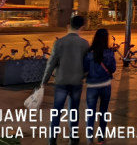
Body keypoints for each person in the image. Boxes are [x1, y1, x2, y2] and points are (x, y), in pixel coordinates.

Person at [42, 15, 90, 145]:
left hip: (61, 81)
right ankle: (73, 137)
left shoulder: (59, 42)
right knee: (74, 110)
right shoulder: (84, 44)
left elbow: (51, 63)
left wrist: (44, 81)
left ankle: (52, 139)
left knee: (57, 110)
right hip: (76, 82)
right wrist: (83, 75)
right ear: (82, 27)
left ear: (69, 25)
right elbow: (88, 64)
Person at [83, 28, 116, 145]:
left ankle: (89, 139)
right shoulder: (109, 53)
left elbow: (85, 68)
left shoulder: (89, 54)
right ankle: (101, 139)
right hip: (106, 85)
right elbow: (113, 69)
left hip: (92, 86)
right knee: (103, 112)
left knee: (90, 113)